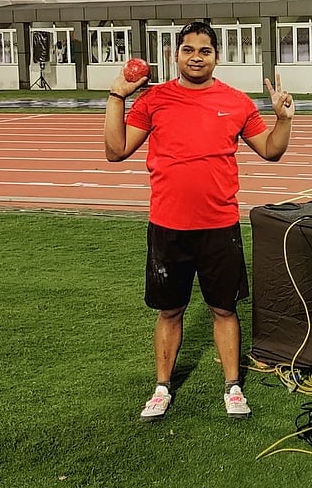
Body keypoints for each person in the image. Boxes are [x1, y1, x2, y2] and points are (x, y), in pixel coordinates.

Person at [104, 21, 295, 423]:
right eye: (188, 50)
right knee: (169, 312)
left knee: (224, 310)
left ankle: (233, 386)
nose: (195, 57)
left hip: (219, 226)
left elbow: (271, 152)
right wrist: (117, 96)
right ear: (176, 55)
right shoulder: (155, 100)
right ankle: (161, 388)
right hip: (168, 226)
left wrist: (283, 119)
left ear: (216, 57)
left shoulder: (238, 102)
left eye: (204, 51)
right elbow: (115, 150)